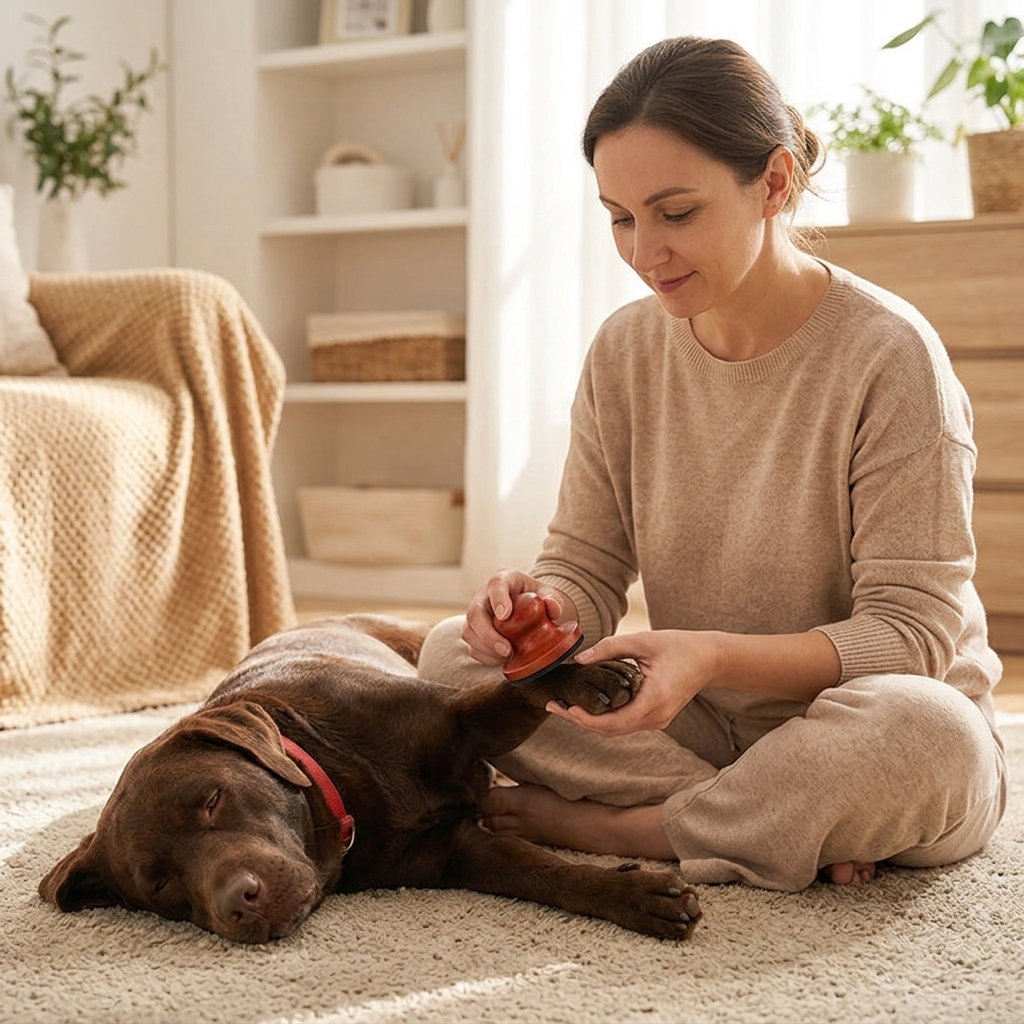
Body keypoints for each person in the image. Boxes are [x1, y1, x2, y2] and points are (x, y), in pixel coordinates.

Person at [417, 36, 1006, 891]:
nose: (644, 252)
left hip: (869, 715)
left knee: (928, 735)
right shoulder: (624, 351)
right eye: (620, 217)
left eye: (676, 213)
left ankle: (628, 827)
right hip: (693, 723)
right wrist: (533, 613)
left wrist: (714, 656)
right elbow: (585, 566)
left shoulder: (890, 356)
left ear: (774, 182)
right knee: (451, 660)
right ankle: (783, 823)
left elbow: (911, 639)